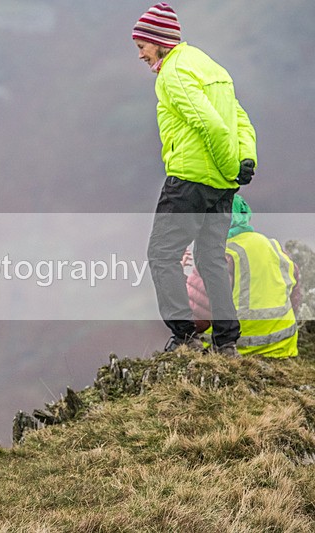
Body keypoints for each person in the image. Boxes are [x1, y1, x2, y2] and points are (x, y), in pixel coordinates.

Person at [133, 3, 257, 357]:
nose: (140, 55)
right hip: (221, 186)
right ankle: (226, 341)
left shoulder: (173, 74)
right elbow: (240, 120)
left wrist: (227, 166)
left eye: (142, 46)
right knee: (210, 258)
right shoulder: (212, 67)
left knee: (160, 254)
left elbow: (212, 125)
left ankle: (185, 337)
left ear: (158, 41)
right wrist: (244, 161)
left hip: (189, 181)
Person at [185, 195, 300, 358]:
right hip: (282, 348)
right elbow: (294, 299)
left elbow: (195, 322)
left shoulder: (217, 256)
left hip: (238, 352)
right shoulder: (273, 246)